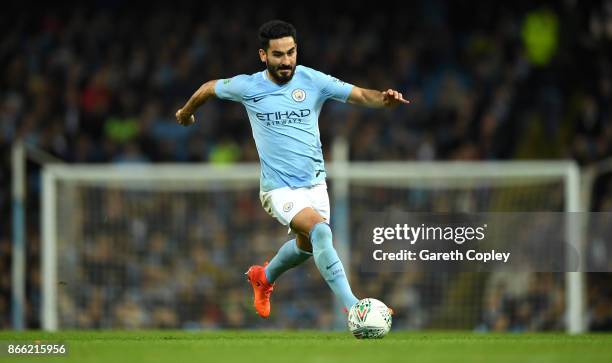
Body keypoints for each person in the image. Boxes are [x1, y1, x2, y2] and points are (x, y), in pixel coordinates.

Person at [176, 20, 409, 319]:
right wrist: (186, 113)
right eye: (278, 55)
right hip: (279, 188)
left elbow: (363, 95)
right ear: (263, 55)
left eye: (291, 52)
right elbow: (209, 88)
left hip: (315, 185)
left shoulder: (312, 80)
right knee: (321, 232)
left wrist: (384, 99)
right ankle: (355, 307)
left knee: (307, 247)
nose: (286, 61)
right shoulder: (248, 86)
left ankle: (264, 277)